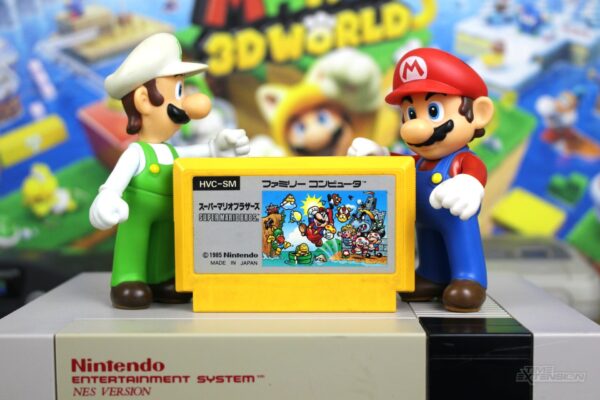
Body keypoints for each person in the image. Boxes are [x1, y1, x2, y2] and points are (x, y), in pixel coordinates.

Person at [89, 33, 250, 309]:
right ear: (143, 100)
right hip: (137, 214)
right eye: (177, 92)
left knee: (165, 244)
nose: (186, 104)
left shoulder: (172, 152)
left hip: (168, 213)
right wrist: (107, 198)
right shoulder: (136, 153)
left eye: (182, 91)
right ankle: (128, 278)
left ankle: (161, 279)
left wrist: (217, 148)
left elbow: (199, 153)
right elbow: (114, 183)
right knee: (134, 240)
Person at [348, 48, 494, 312]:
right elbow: (401, 164)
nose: (414, 127)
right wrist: (380, 154)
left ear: (479, 113)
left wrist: (469, 184)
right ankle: (432, 276)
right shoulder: (418, 160)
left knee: (461, 239)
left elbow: (475, 172)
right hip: (425, 220)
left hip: (455, 215)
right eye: (411, 114)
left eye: (434, 110)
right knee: (429, 245)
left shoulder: (461, 160)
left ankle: (470, 279)